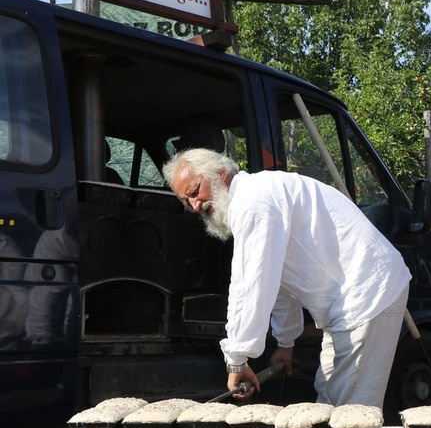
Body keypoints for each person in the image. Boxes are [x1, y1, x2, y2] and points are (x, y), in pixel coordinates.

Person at [162, 148, 412, 409]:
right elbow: (277, 278)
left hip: (368, 293)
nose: (194, 205)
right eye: (185, 201)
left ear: (220, 174)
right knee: (327, 400)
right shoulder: (256, 197)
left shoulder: (253, 202)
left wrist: (237, 359)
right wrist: (286, 342)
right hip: (353, 299)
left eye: (194, 192)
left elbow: (250, 284)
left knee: (351, 413)